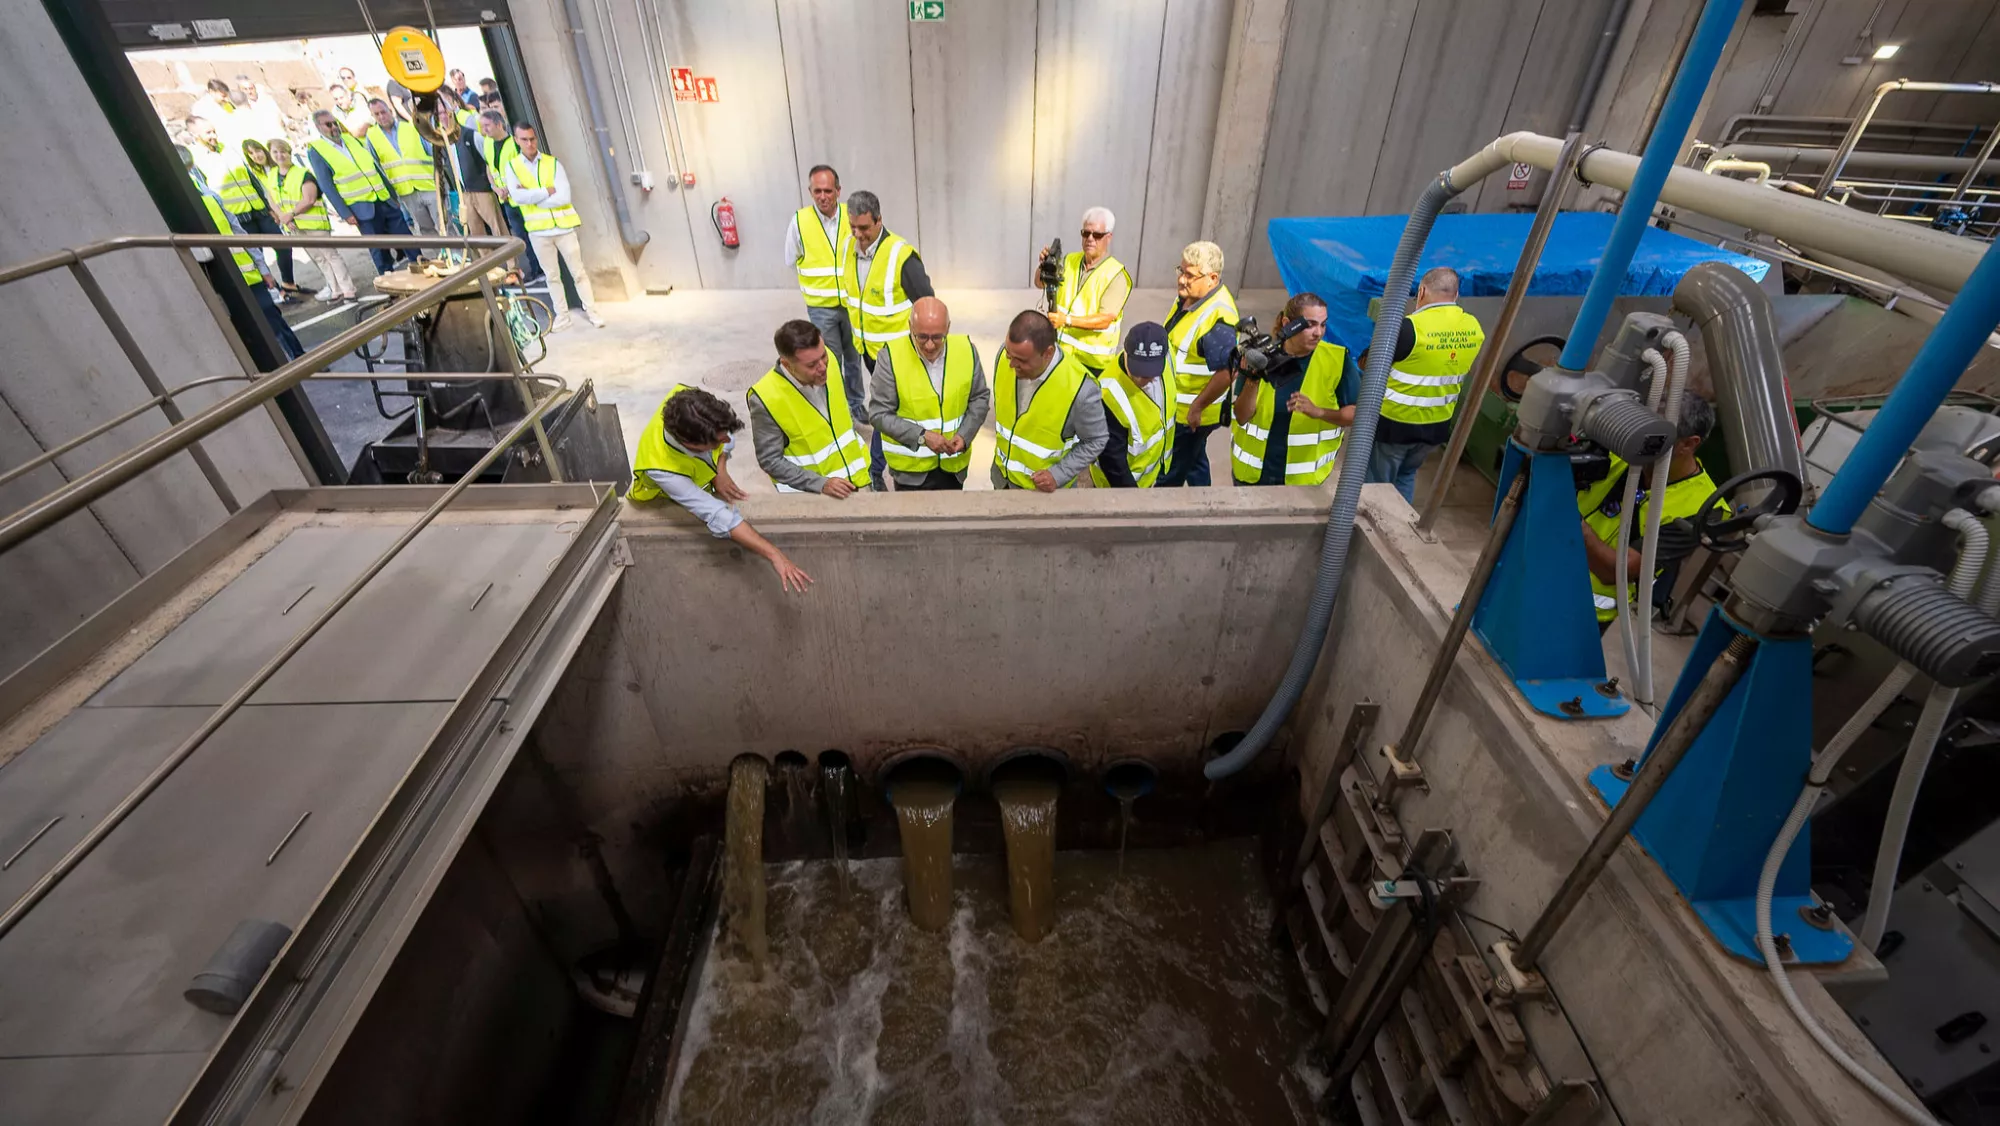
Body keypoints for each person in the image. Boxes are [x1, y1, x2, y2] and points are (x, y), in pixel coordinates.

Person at [628, 384, 813, 592]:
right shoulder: (662, 468)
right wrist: (775, 554)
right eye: (716, 443)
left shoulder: (690, 402)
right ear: (691, 444)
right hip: (662, 499)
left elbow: (726, 437)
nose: (726, 441)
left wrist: (720, 469)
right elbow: (719, 516)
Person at [1577, 396, 1718, 633]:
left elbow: (1615, 572)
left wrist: (1569, 520)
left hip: (1585, 612)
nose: (1637, 437)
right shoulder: (1622, 448)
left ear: (1688, 444)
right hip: (1536, 572)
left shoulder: (1701, 508)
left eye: (1656, 433)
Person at [1364, 266, 1486, 502]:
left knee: (1378, 485)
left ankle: (1372, 531)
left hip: (1395, 424)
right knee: (1407, 476)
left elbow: (1370, 364)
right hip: (1437, 425)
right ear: (1456, 295)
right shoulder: (1473, 327)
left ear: (1421, 291)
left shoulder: (1409, 328)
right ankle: (1401, 532)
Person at [843, 190, 933, 484]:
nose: (858, 235)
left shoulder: (901, 255)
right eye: (853, 227)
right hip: (869, 352)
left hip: (897, 356)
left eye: (865, 228)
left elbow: (928, 304)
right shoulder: (848, 249)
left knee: (884, 413)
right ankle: (882, 467)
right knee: (887, 412)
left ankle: (877, 470)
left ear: (880, 220)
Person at [1230, 293, 1358, 486]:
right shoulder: (1261, 356)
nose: (1318, 332)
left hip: (1304, 483)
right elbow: (1241, 416)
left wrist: (1319, 412)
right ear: (1287, 323)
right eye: (1311, 324)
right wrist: (1253, 379)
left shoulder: (1337, 360)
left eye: (1323, 324)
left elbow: (1356, 415)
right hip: (1252, 476)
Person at [868, 296, 990, 491]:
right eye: (922, 337)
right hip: (910, 473)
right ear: (910, 327)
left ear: (948, 328)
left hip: (954, 467)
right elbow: (879, 414)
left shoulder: (966, 350)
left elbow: (980, 398)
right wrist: (922, 436)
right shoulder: (891, 357)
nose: (930, 345)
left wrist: (965, 435)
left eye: (937, 337)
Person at [749, 320, 870, 496]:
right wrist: (820, 484)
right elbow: (770, 460)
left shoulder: (830, 361)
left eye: (823, 357)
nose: (822, 367)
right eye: (812, 365)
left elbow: (842, 412)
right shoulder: (766, 397)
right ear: (787, 364)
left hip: (857, 479)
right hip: (812, 496)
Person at [991, 310, 1107, 491]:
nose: (1012, 365)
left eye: (1021, 360)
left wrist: (1058, 474)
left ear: (1047, 353)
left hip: (1045, 493)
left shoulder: (1080, 389)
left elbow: (1096, 439)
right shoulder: (1004, 356)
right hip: (1001, 481)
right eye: (1009, 355)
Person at [503, 122, 604, 330]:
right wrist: (546, 191)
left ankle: (592, 311)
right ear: (516, 140)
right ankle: (562, 315)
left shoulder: (552, 163)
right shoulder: (512, 166)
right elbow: (518, 197)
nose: (530, 143)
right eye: (525, 139)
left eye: (532, 139)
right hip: (539, 232)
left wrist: (532, 195)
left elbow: (564, 196)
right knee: (552, 276)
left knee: (578, 272)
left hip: (563, 227)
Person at [192, 176, 304, 359]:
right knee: (247, 330)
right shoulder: (201, 196)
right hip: (218, 280)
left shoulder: (208, 194)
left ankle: (300, 359)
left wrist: (263, 269)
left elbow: (238, 233)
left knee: (273, 321)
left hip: (246, 274)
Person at [1159, 241, 1240, 487]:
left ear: (1212, 278)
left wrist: (1196, 408)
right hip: (1180, 407)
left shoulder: (1219, 318)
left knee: (1170, 471)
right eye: (1181, 271)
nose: (1182, 279)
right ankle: (1204, 500)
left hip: (1190, 416)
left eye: (1190, 275)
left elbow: (1228, 373)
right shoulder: (1191, 297)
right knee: (1194, 461)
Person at [305, 109, 417, 274]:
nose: (334, 127)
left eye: (335, 122)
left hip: (383, 198)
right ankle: (388, 280)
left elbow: (374, 168)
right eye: (328, 124)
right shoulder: (317, 150)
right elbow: (326, 185)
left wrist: (392, 194)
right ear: (318, 127)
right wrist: (345, 213)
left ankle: (420, 265)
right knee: (378, 248)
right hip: (360, 207)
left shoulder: (351, 140)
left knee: (405, 236)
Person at [787, 165, 861, 400]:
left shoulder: (853, 216)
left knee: (854, 358)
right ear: (810, 192)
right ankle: (839, 408)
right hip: (821, 308)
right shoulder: (800, 221)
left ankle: (857, 405)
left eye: (828, 191)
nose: (822, 196)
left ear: (838, 191)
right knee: (827, 362)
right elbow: (791, 259)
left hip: (852, 304)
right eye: (817, 191)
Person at [1037, 206, 1130, 376]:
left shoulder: (1116, 275)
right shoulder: (1070, 261)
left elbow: (1104, 319)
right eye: (1086, 233)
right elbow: (1039, 283)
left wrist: (1066, 320)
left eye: (1097, 235)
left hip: (1093, 364)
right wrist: (1043, 266)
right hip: (1062, 354)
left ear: (1108, 237)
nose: (1090, 239)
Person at [268, 138, 356, 301]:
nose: (279, 155)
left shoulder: (302, 174)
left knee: (330, 255)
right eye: (275, 152)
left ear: (289, 153)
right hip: (295, 226)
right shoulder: (272, 176)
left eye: (283, 151)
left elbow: (309, 199)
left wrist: (290, 214)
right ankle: (335, 288)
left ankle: (348, 288)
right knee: (319, 258)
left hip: (314, 223)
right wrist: (283, 217)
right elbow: (272, 200)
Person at [1092, 322, 1174, 488]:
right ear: (1125, 353)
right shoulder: (1107, 396)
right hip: (1123, 487)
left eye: (1151, 372)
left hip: (1153, 474)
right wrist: (1132, 499)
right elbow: (1113, 464)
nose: (1142, 379)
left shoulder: (1167, 360)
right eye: (1138, 371)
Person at [224, 139, 301, 301]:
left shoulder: (230, 149)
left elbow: (253, 182)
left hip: (259, 210)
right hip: (239, 216)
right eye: (208, 133)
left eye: (212, 131)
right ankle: (276, 292)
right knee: (257, 256)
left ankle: (288, 283)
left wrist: (269, 208)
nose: (212, 135)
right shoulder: (202, 157)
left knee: (283, 246)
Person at [365, 97, 440, 247]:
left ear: (390, 111)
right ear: (372, 116)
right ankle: (441, 258)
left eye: (383, 112)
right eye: (376, 114)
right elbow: (376, 166)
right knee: (425, 229)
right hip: (406, 191)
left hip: (428, 185)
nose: (381, 117)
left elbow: (432, 152)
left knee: (443, 224)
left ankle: (457, 257)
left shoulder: (411, 127)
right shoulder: (372, 136)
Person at [477, 109, 540, 280]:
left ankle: (538, 268)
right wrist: (495, 188)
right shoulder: (488, 143)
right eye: (483, 127)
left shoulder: (514, 144)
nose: (485, 130)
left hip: (521, 197)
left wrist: (509, 189)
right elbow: (489, 167)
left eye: (487, 125)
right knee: (521, 235)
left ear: (499, 124)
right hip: (506, 199)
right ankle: (535, 267)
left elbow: (526, 169)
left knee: (532, 232)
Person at [184, 116, 232, 191]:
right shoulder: (192, 157)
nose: (214, 136)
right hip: (228, 202)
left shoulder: (224, 147)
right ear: (194, 134)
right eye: (208, 133)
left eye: (214, 131)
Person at [233, 74, 285, 144]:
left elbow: (280, 114)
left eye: (251, 88)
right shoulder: (244, 108)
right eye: (245, 89)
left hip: (280, 135)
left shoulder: (267, 100)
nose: (249, 92)